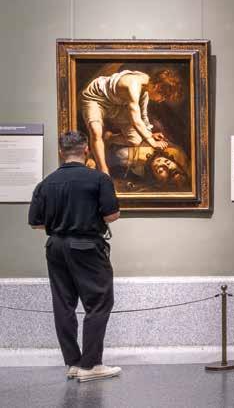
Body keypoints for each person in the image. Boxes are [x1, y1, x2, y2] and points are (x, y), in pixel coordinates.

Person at [28, 131, 121, 382]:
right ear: (86, 150)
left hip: (56, 247)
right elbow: (112, 215)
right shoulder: (99, 179)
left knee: (63, 304)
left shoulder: (46, 183)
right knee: (98, 302)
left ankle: (73, 363)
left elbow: (36, 223)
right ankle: (90, 365)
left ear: (61, 153)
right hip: (87, 246)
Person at [81, 68, 183, 174]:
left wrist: (150, 134)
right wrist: (152, 142)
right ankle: (103, 169)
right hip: (97, 98)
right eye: (163, 96)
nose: (161, 101)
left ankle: (109, 138)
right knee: (96, 131)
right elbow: (135, 120)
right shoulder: (133, 86)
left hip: (117, 105)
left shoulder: (146, 87)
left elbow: (142, 115)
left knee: (135, 140)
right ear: (157, 86)